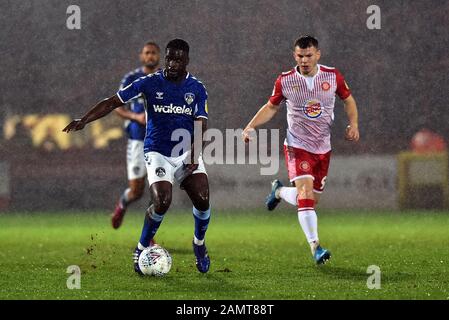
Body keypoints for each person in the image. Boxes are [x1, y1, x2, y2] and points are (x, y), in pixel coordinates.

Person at [63, 39, 212, 274]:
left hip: (186, 151)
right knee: (162, 201)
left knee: (203, 200)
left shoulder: (197, 88)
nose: (172, 63)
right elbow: (113, 101)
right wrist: (84, 119)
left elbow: (201, 124)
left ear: (187, 61)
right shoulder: (150, 83)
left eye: (178, 59)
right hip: (157, 151)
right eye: (169, 58)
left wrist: (194, 154)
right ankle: (141, 247)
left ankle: (199, 244)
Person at [242, 35, 360, 264]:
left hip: (323, 148)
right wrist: (250, 126)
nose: (304, 60)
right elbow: (271, 107)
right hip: (297, 146)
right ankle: (316, 247)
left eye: (308, 55)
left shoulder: (332, 76)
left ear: (318, 54)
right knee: (305, 195)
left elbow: (349, 100)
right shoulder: (285, 80)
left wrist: (353, 124)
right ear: (294, 56)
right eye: (300, 56)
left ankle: (278, 192)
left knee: (310, 200)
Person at [111, 41, 161, 230]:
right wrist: (135, 116)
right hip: (137, 140)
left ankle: (149, 234)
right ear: (141, 56)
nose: (150, 56)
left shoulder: (165, 79)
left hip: (159, 142)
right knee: (136, 191)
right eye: (147, 53)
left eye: (153, 53)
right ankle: (122, 205)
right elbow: (118, 107)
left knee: (158, 191)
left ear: (159, 56)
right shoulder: (132, 78)